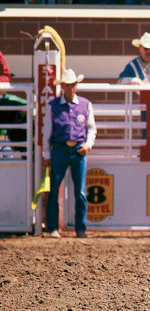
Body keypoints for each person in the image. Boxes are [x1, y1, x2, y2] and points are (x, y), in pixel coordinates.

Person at [42, 69, 96, 239]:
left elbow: (91, 128)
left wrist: (88, 145)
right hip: (59, 148)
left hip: (79, 149)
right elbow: (47, 131)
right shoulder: (53, 106)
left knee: (80, 191)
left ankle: (81, 228)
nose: (71, 88)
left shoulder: (85, 105)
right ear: (63, 86)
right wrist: (47, 155)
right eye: (68, 85)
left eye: (73, 85)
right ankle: (53, 227)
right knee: (55, 187)